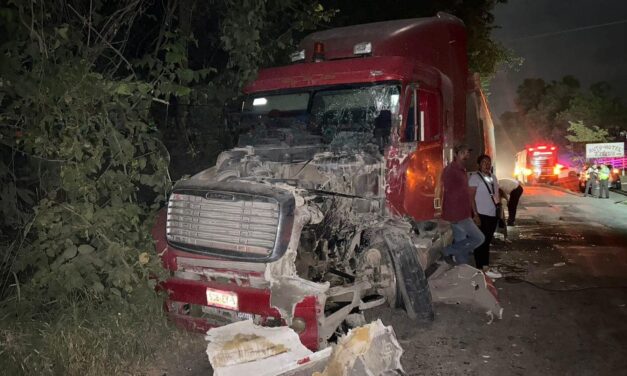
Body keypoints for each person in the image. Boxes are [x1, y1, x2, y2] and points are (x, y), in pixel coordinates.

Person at [441, 144, 485, 265]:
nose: (467, 155)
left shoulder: (461, 170)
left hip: (462, 213)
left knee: (462, 244)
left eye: (467, 153)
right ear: (456, 154)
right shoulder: (450, 170)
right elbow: (447, 192)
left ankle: (462, 270)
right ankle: (447, 250)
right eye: (463, 152)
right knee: (479, 238)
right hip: (458, 214)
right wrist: (453, 213)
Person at [468, 154, 502, 279]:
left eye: (488, 162)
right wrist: (475, 214)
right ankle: (480, 267)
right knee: (481, 241)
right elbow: (470, 197)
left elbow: (496, 194)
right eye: (484, 162)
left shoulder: (493, 177)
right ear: (478, 165)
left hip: (493, 213)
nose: (487, 164)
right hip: (481, 214)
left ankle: (485, 266)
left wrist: (499, 211)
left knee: (487, 241)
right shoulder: (474, 178)